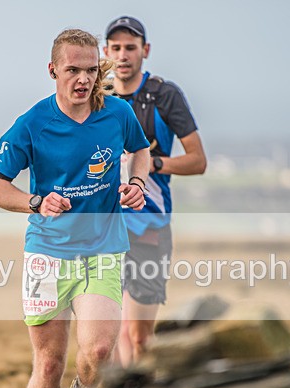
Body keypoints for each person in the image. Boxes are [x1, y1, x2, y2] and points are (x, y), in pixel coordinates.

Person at [0, 28, 150, 388]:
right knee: (49, 363)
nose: (82, 78)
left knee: (97, 351)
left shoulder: (116, 112)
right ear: (53, 69)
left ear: (100, 70)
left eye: (90, 69)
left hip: (103, 248)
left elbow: (140, 152)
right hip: (47, 253)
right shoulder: (32, 123)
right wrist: (36, 202)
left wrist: (136, 184)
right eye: (72, 69)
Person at [103, 16, 208, 366]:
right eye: (115, 48)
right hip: (103, 228)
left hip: (149, 225)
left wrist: (153, 164)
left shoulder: (164, 95)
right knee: (109, 333)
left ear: (144, 51)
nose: (122, 55)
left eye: (130, 48)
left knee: (139, 334)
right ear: (105, 52)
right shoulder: (96, 96)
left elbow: (198, 160)